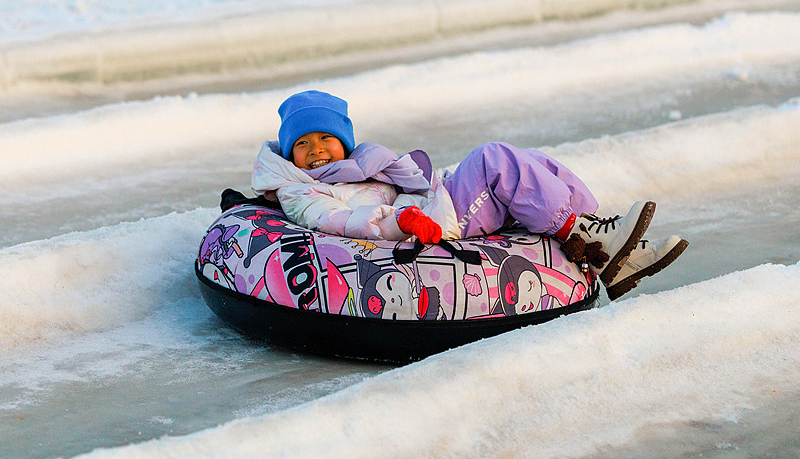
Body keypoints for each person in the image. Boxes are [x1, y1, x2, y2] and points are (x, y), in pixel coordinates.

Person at [249, 90, 687, 299]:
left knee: (532, 160)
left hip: (431, 203)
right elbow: (334, 220)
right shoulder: (300, 189)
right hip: (430, 223)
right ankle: (585, 233)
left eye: (324, 138)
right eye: (302, 144)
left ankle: (605, 245)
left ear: (344, 141)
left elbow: (411, 186)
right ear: (290, 152)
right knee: (494, 159)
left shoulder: (362, 166)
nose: (314, 151)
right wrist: (398, 222)